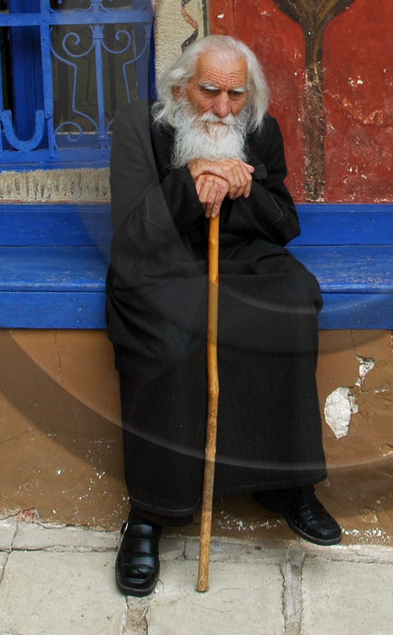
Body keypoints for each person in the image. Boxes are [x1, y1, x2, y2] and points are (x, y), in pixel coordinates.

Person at [105, 35, 341, 596]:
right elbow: (133, 230)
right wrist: (190, 181)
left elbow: (283, 225)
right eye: (209, 91)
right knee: (166, 343)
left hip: (238, 260)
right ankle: (149, 514)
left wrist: (244, 182)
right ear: (181, 86)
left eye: (236, 94)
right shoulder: (139, 128)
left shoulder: (261, 131)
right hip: (160, 265)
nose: (222, 108)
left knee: (290, 305)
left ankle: (286, 485)